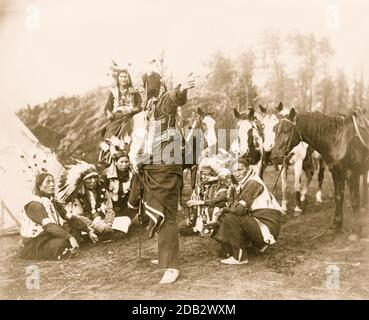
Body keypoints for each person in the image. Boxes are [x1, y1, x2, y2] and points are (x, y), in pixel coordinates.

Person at [128, 70, 195, 284]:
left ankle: (172, 266)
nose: (141, 90)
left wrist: (181, 88)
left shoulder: (162, 104)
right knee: (161, 214)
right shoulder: (149, 112)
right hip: (156, 166)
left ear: (151, 87)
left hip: (166, 169)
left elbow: (175, 99)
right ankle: (164, 257)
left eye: (144, 86)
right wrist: (141, 160)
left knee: (167, 216)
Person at [215, 159, 284, 265]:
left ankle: (240, 257)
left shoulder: (253, 183)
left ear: (248, 169)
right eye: (234, 171)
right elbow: (235, 204)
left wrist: (224, 209)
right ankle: (258, 247)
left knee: (231, 217)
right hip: (260, 221)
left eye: (240, 170)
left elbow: (239, 210)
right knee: (228, 216)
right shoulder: (247, 182)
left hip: (267, 225)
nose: (237, 174)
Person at [19, 172, 98, 260]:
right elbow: (49, 226)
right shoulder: (34, 204)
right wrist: (69, 237)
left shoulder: (53, 202)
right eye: (48, 182)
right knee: (63, 242)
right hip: (36, 241)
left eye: (53, 181)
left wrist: (88, 230)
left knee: (74, 231)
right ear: (39, 185)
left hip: (49, 235)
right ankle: (64, 248)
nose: (52, 185)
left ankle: (68, 245)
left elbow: (70, 217)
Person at [58, 161, 115, 235]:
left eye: (95, 178)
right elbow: (78, 216)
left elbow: (109, 209)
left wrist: (109, 224)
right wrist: (95, 226)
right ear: (83, 181)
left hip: (103, 220)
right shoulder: (76, 195)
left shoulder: (102, 190)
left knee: (125, 221)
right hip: (87, 226)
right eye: (89, 179)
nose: (93, 181)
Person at [179, 165, 228, 236]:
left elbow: (217, 200)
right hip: (202, 215)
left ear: (213, 176)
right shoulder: (200, 186)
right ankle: (200, 227)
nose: (204, 177)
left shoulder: (221, 186)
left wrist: (198, 202)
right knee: (179, 228)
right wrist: (193, 214)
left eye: (207, 175)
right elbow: (195, 200)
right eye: (202, 174)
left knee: (214, 209)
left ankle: (210, 229)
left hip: (215, 213)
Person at [102, 68, 142, 154]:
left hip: (130, 116)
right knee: (109, 133)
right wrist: (108, 113)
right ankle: (107, 154)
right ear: (118, 79)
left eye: (125, 77)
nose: (123, 79)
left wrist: (131, 110)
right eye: (121, 77)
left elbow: (140, 104)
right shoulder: (113, 91)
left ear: (128, 79)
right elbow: (108, 106)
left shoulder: (134, 90)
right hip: (116, 116)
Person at [102, 150, 136, 223]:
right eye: (121, 162)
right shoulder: (107, 174)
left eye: (126, 162)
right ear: (115, 162)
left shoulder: (132, 174)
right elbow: (103, 191)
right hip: (110, 204)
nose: (124, 164)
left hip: (126, 204)